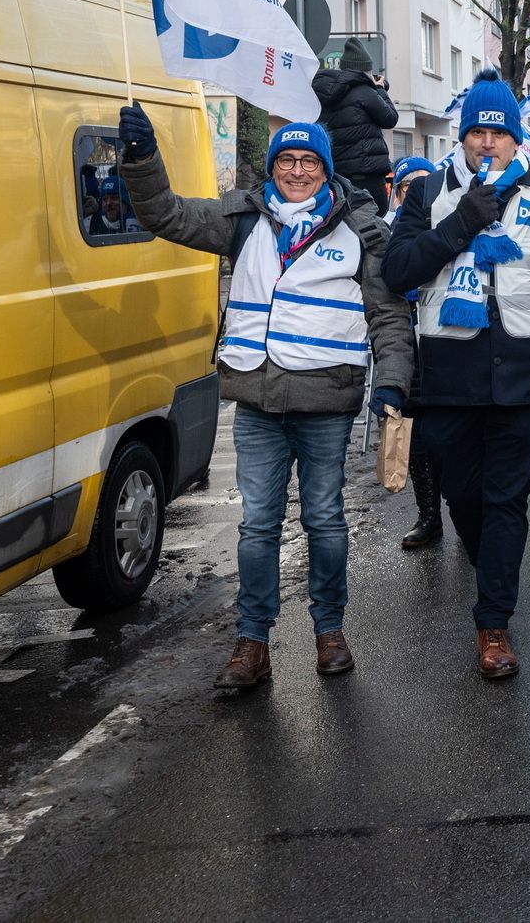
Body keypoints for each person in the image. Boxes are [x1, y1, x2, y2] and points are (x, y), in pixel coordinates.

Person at [115, 110, 414, 688]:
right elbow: (165, 213)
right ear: (273, 167)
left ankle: (329, 630)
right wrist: (142, 160)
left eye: (309, 162)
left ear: (325, 170)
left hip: (327, 400)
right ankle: (252, 642)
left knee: (324, 520)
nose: (297, 171)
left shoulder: (361, 228)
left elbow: (388, 315)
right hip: (256, 397)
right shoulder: (243, 219)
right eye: (287, 161)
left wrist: (393, 382)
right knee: (257, 526)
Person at [382, 70, 530, 679]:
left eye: (498, 134)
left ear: (516, 139)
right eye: (477, 132)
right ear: (463, 137)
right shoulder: (430, 192)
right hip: (451, 375)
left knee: (507, 501)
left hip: (526, 375)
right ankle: (491, 569)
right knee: (464, 498)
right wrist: (462, 223)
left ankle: (493, 623)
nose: (487, 143)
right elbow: (398, 271)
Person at [385, 156, 448, 550]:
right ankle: (428, 515)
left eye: (426, 185)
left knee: (451, 431)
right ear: (398, 194)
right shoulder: (387, 230)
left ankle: (461, 507)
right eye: (409, 187)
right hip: (407, 342)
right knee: (417, 433)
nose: (417, 193)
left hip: (445, 340)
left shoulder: (450, 222)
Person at [313, 38, 399, 213]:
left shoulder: (325, 93)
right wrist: (380, 89)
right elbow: (390, 118)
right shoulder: (364, 92)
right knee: (374, 220)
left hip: (337, 177)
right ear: (365, 71)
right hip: (367, 176)